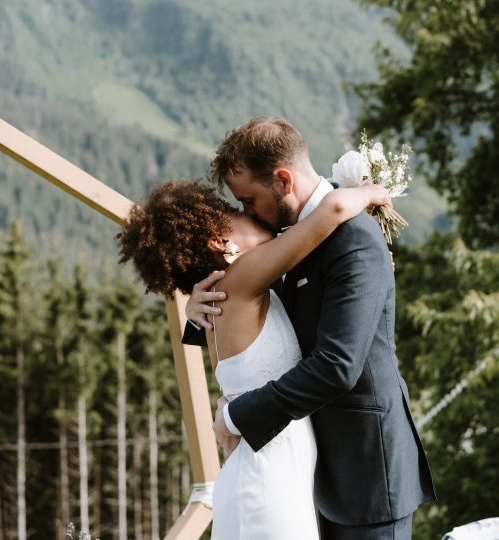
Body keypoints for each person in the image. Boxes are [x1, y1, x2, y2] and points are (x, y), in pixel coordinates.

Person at [183, 117, 436, 539]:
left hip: (365, 471)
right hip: (307, 470)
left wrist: (238, 415)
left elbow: (337, 365)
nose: (248, 212)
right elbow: (269, 313)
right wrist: (200, 314)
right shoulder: (290, 237)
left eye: (248, 201)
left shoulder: (353, 238)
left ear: (282, 180)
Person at [118, 179, 390, 539]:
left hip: (271, 469)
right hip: (266, 481)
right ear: (219, 241)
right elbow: (334, 210)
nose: (249, 214)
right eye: (235, 212)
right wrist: (372, 191)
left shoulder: (229, 291)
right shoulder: (241, 279)